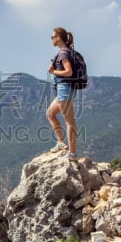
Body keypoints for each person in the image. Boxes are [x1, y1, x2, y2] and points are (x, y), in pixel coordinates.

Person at [46, 27, 78, 160]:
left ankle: (72, 154)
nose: (52, 39)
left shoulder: (63, 53)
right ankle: (60, 142)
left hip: (65, 88)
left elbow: (68, 72)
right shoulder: (65, 52)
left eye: (53, 36)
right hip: (63, 89)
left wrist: (53, 72)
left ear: (59, 38)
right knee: (50, 114)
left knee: (69, 122)